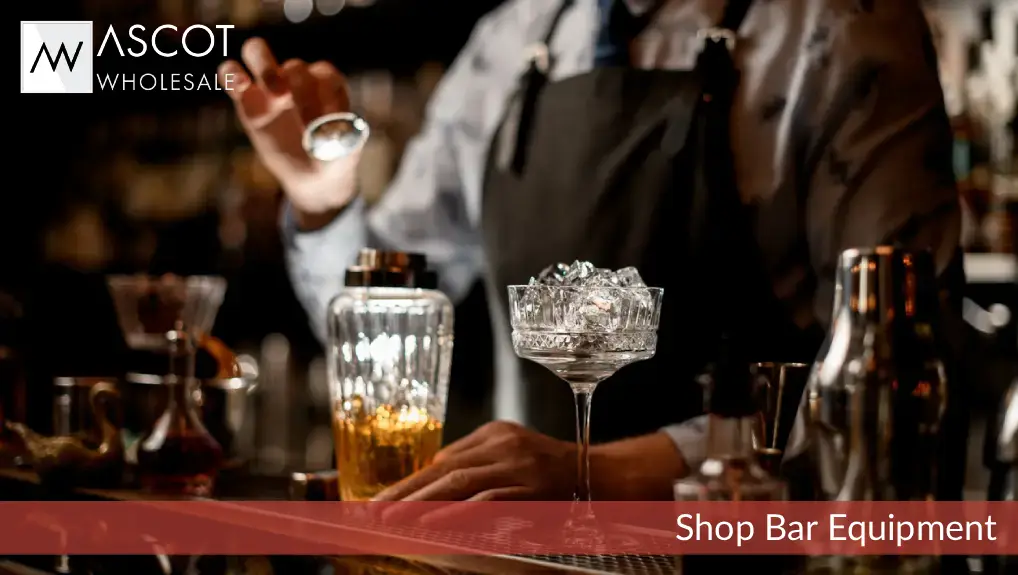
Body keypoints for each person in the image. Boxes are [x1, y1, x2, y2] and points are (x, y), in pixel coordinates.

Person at [220, 0, 963, 501]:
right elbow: (378, 338)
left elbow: (895, 380)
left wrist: (602, 473)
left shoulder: (844, 29)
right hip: (529, 559)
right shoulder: (512, 39)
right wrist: (322, 199)